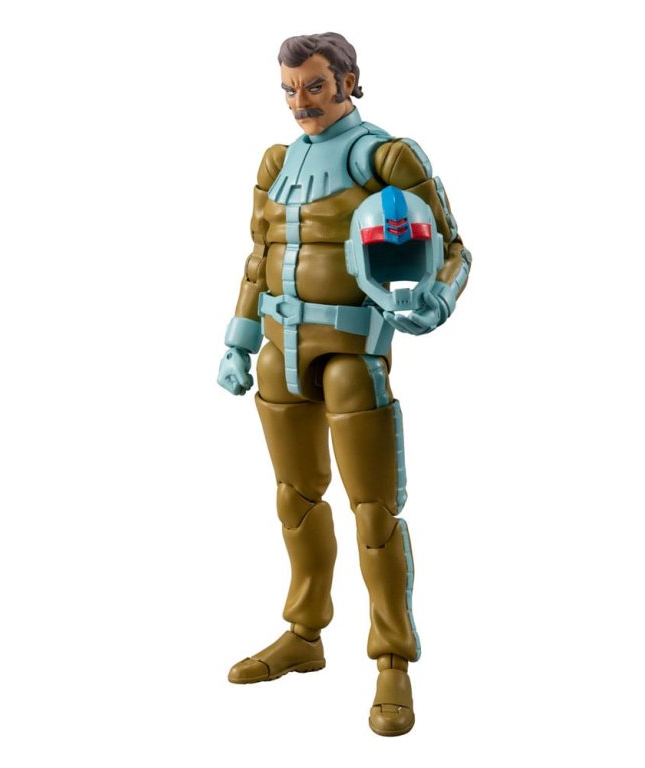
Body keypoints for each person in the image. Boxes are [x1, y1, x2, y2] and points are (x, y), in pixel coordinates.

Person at [216, 31, 471, 737]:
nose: (301, 101)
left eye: (315, 86)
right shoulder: (276, 163)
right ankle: (305, 633)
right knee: (295, 501)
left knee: (374, 513)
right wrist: (238, 340)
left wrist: (437, 299)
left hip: (352, 353)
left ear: (349, 81)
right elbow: (258, 256)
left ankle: (392, 660)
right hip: (279, 353)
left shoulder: (387, 156)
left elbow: (452, 247)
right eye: (289, 89)